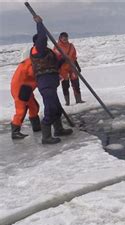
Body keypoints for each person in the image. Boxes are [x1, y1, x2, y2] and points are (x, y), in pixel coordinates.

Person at [30, 15, 73, 144]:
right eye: (43, 40)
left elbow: (53, 66)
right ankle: (46, 137)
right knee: (51, 109)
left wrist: (62, 60)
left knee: (57, 108)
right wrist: (39, 24)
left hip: (51, 83)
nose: (46, 41)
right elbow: (42, 37)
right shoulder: (38, 49)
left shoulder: (46, 52)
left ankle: (58, 129)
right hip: (45, 84)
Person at [10, 58, 41, 139]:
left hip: (27, 87)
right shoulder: (32, 63)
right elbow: (33, 73)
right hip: (20, 88)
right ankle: (15, 131)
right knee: (21, 110)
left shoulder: (34, 61)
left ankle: (36, 127)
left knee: (34, 106)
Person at [53, 32, 84, 106]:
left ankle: (79, 100)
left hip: (72, 67)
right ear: (60, 38)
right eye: (63, 37)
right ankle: (67, 103)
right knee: (65, 85)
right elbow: (55, 59)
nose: (65, 39)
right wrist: (60, 62)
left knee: (76, 83)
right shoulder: (56, 47)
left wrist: (77, 66)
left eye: (66, 37)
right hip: (63, 69)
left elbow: (74, 57)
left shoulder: (71, 46)